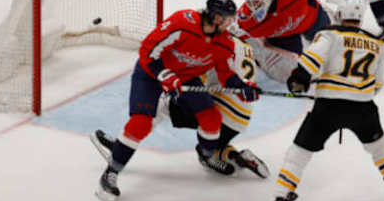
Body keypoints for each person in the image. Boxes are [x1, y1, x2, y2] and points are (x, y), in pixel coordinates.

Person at [93, 0, 261, 201]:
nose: (230, 23)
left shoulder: (224, 43)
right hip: (151, 73)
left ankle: (207, 157)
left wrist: (243, 87)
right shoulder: (183, 23)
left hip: (186, 78)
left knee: (211, 119)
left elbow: (226, 75)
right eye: (228, 19)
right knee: (141, 123)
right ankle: (111, 173)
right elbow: (147, 51)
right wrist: (164, 75)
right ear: (217, 18)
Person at [267, 0, 384, 201]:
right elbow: (377, 85)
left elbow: (311, 61)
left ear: (341, 14)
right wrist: (355, 90)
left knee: (298, 153)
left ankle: (282, 196)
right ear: (360, 17)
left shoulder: (330, 35)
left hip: (328, 109)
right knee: (380, 147)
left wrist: (300, 80)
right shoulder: (377, 44)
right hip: (363, 109)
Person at [91, 35, 270, 181]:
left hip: (222, 112)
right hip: (239, 122)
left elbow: (200, 81)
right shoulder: (245, 47)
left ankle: (121, 146)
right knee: (211, 141)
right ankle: (233, 156)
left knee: (166, 106)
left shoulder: (219, 45)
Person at [234, 0, 358, 83]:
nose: (254, 7)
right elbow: (230, 32)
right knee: (286, 75)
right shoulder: (247, 19)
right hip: (282, 35)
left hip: (310, 18)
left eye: (257, 2)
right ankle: (261, 54)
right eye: (251, 3)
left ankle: (327, 15)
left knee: (335, 45)